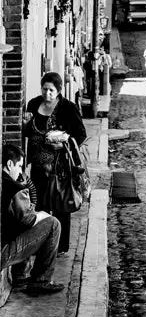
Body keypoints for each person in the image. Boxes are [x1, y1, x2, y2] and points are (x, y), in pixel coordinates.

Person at [22, 72, 87, 256]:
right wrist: (25, 125)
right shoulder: (34, 104)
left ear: (58, 91)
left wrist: (64, 143)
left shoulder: (68, 108)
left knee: (60, 206)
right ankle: (42, 244)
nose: (47, 94)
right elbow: (28, 132)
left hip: (59, 167)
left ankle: (59, 247)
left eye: (51, 90)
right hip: (38, 165)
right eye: (44, 89)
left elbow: (80, 135)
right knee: (40, 204)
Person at [1, 143, 64, 295]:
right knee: (53, 224)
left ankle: (21, 277)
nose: (20, 171)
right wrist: (43, 215)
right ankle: (41, 280)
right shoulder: (14, 187)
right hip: (3, 252)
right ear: (10, 164)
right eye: (19, 166)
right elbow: (28, 220)